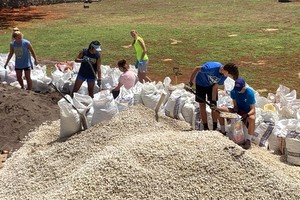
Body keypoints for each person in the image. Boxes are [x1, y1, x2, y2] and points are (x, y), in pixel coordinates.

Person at [188, 62, 239, 131]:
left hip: (211, 86)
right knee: (202, 105)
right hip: (200, 84)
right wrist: (190, 82)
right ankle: (205, 127)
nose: (228, 77)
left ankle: (214, 127)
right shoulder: (211, 68)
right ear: (226, 71)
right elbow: (197, 68)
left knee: (214, 107)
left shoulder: (223, 77)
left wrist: (213, 100)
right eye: (229, 75)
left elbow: (215, 86)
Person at [217, 78, 256, 150]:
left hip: (247, 112)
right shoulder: (234, 92)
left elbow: (253, 109)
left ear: (244, 86)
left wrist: (246, 115)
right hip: (238, 111)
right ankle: (223, 131)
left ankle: (248, 140)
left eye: (240, 89)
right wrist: (235, 111)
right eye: (237, 89)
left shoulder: (249, 93)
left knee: (252, 118)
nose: (238, 91)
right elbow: (235, 105)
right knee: (219, 110)